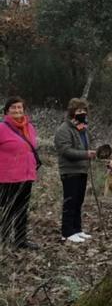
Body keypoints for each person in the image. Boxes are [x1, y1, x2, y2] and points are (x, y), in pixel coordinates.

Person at [53, 98, 96, 244]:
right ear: (72, 112)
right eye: (79, 111)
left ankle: (77, 229)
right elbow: (65, 151)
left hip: (82, 170)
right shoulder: (63, 129)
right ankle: (67, 232)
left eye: (84, 110)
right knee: (70, 202)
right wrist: (86, 154)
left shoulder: (83, 129)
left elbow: (84, 147)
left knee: (79, 201)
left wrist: (91, 154)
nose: (82, 113)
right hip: (69, 171)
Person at [0, 97, 41, 250]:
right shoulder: (2, 128)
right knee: (7, 209)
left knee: (22, 210)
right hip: (7, 178)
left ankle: (20, 239)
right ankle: (3, 241)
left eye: (20, 108)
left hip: (26, 176)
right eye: (13, 108)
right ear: (7, 111)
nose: (17, 110)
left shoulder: (29, 127)